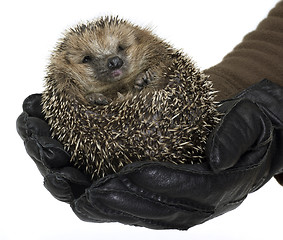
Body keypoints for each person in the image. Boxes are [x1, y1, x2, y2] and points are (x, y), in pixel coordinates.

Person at [16, 1, 283, 230]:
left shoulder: (154, 61)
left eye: (121, 49)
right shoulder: (67, 92)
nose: (112, 61)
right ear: (66, 70)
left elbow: (173, 89)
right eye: (87, 59)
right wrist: (242, 97)